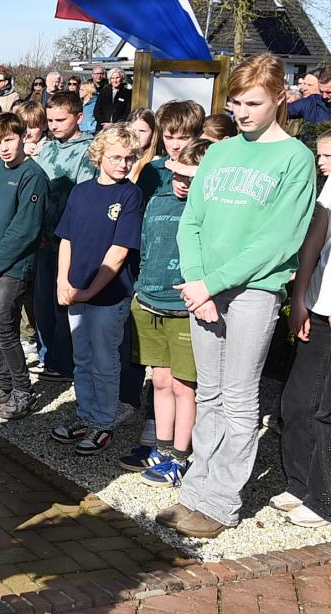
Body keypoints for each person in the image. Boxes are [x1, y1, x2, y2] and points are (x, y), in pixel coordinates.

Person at [159, 54, 317, 538]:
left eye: (253, 102)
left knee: (240, 397)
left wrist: (215, 282)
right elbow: (193, 222)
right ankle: (198, 488)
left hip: (252, 292)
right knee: (209, 393)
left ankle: (222, 502)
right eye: (235, 102)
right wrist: (198, 283)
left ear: (279, 100)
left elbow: (279, 239)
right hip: (203, 291)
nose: (243, 111)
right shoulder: (221, 151)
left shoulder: (294, 158)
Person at [119, 138, 210, 487]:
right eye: (177, 175)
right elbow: (143, 245)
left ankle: (180, 457)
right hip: (149, 301)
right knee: (159, 380)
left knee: (184, 386)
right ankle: (161, 446)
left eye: (191, 178)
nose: (182, 183)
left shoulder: (206, 210)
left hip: (184, 309)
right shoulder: (157, 200)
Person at [50, 124, 143, 455]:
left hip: (109, 295)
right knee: (83, 357)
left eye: (129, 158)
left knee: (105, 360)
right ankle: (85, 414)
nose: (123, 163)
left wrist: (90, 291)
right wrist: (63, 280)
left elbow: (119, 252)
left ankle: (103, 422)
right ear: (99, 155)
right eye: (116, 157)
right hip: (76, 290)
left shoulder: (129, 195)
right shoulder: (81, 192)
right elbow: (67, 239)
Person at [277, 129, 331, 528]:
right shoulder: (326, 192)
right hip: (317, 307)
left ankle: (323, 497)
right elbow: (313, 242)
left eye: (328, 155)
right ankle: (300, 482)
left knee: (320, 406)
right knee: (297, 402)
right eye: (320, 155)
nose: (321, 162)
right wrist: (299, 299)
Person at [0, 113, 49, 420]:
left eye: (9, 139)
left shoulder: (32, 176)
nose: (4, 147)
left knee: (5, 326)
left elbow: (25, 230)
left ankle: (24, 391)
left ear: (23, 137)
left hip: (15, 266)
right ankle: (4, 386)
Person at [33, 92, 97, 384]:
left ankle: (64, 362)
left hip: (67, 238)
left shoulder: (88, 151)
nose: (54, 125)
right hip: (41, 236)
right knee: (43, 302)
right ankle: (49, 356)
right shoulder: (47, 148)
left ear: (79, 118)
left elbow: (83, 199)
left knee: (63, 303)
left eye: (61, 120)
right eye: (50, 120)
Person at [126, 108, 158, 186]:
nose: (136, 135)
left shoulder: (156, 163)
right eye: (132, 130)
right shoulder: (119, 158)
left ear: (153, 133)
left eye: (142, 131)